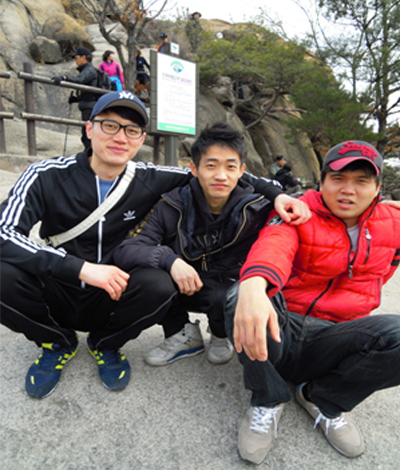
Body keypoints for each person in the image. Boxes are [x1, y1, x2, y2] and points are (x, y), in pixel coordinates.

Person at [0, 91, 311, 400]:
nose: (120, 137)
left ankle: (106, 343)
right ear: (89, 128)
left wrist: (278, 195)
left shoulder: (152, 176)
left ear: (141, 139)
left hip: (113, 292)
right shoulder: (46, 175)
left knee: (159, 283)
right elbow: (4, 232)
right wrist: (79, 268)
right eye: (110, 125)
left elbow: (221, 171)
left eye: (131, 130)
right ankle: (55, 342)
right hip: (56, 284)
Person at [225, 140, 400, 464]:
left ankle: (323, 397)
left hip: (336, 337)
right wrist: (253, 283)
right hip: (282, 329)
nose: (348, 190)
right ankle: (267, 398)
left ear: (377, 188)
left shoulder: (394, 224)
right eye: (338, 179)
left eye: (361, 181)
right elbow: (274, 245)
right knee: (243, 295)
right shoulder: (298, 209)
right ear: (321, 182)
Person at [114, 123, 275, 366]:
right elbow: (127, 249)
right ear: (194, 168)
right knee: (150, 279)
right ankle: (182, 333)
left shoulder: (258, 208)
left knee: (231, 293)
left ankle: (221, 334)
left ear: (242, 171)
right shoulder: (172, 204)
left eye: (230, 167)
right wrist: (169, 260)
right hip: (183, 283)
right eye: (211, 165)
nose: (221, 175)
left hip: (228, 286)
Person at [52, 47, 98, 150]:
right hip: (88, 105)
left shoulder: (89, 70)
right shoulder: (87, 70)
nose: (75, 60)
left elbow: (80, 80)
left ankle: (90, 155)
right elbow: (88, 91)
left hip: (90, 107)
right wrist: (76, 99)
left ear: (83, 57)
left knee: (87, 134)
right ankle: (89, 154)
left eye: (76, 58)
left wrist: (64, 78)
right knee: (86, 133)